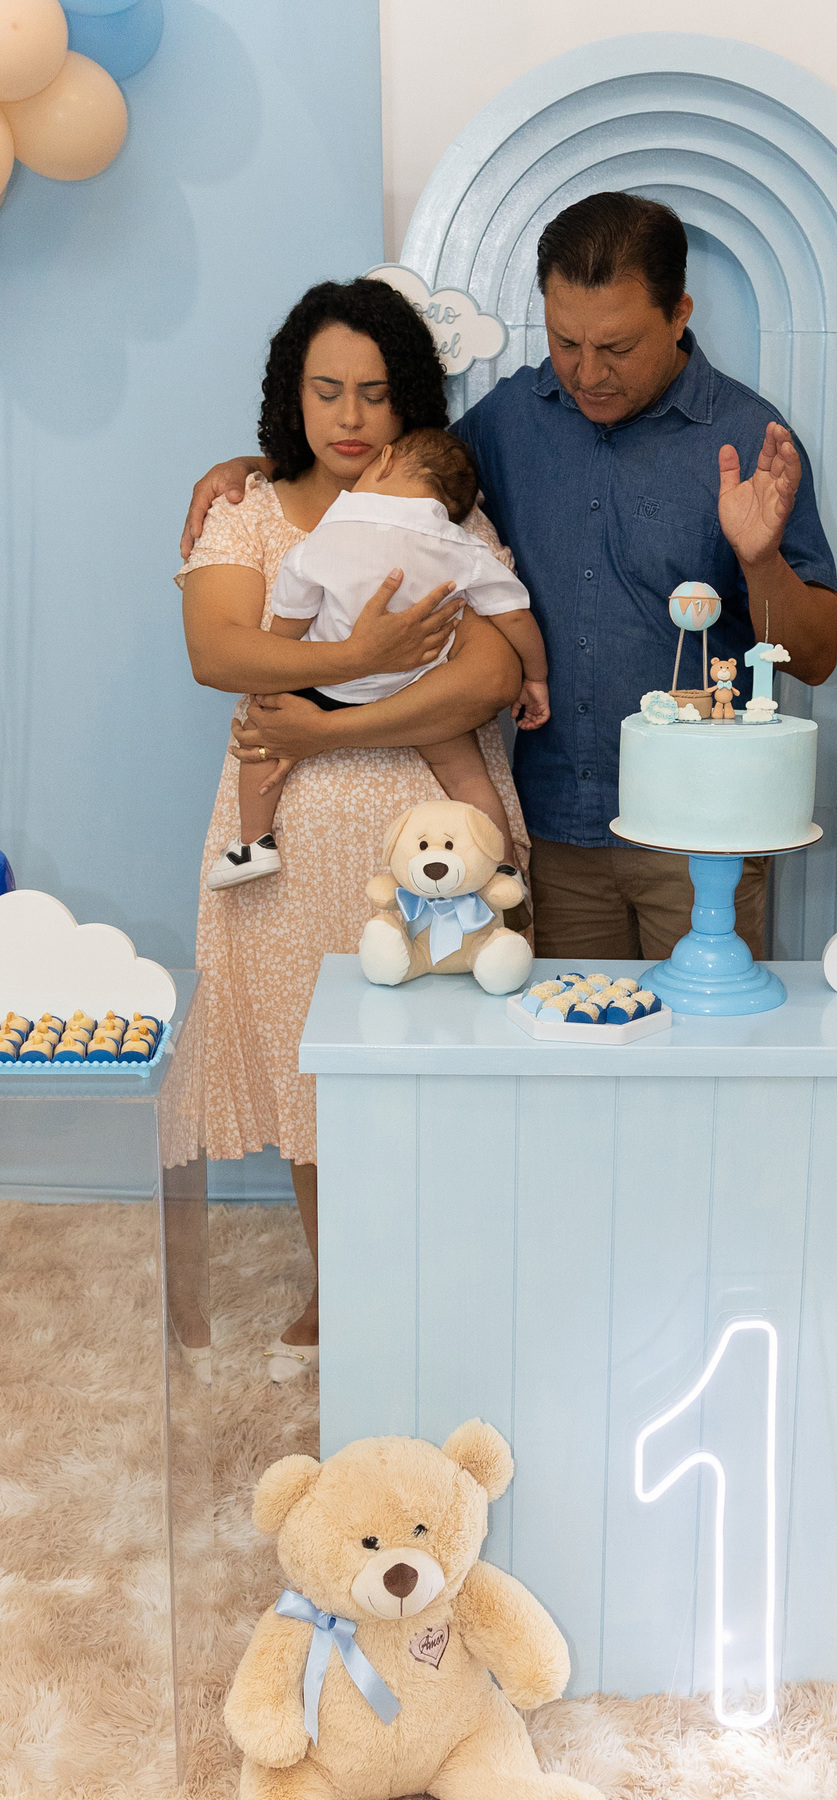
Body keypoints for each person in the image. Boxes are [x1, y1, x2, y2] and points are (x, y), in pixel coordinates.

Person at [183, 192, 837, 960]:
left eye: (618, 347)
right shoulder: (508, 420)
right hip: (556, 836)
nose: (588, 373)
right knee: (555, 1036)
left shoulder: (748, 438)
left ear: (678, 314)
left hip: (701, 837)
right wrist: (267, 465)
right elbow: (396, 474)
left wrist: (760, 561)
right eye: (565, 342)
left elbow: (815, 657)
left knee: (704, 1037)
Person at [180, 278, 528, 1380]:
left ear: (407, 401)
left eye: (375, 394)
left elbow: (490, 673)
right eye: (326, 390)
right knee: (311, 1064)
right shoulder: (243, 512)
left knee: (439, 1058)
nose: (349, 416)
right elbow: (218, 652)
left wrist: (327, 715)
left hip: (427, 835)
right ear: (291, 395)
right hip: (286, 845)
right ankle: (340, 1282)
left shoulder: (443, 516)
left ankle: (446, 1277)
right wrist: (360, 657)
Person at [206, 426, 548, 889]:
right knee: (467, 776)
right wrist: (536, 676)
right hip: (421, 693)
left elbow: (294, 605)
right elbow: (514, 615)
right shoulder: (462, 545)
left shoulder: (334, 527)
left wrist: (276, 676)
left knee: (261, 740)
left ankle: (253, 843)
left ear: (384, 462)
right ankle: (504, 867)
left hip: (325, 687)